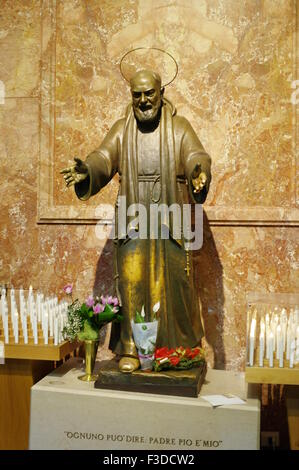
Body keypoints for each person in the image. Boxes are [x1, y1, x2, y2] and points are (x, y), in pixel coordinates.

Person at [61, 69, 211, 373]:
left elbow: (196, 154)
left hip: (169, 219)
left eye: (149, 93)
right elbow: (103, 157)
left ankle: (177, 348)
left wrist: (198, 172)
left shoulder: (179, 128)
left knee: (176, 285)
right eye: (137, 95)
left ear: (161, 92)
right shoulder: (122, 130)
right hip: (134, 219)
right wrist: (88, 171)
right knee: (131, 282)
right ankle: (131, 348)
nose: (143, 101)